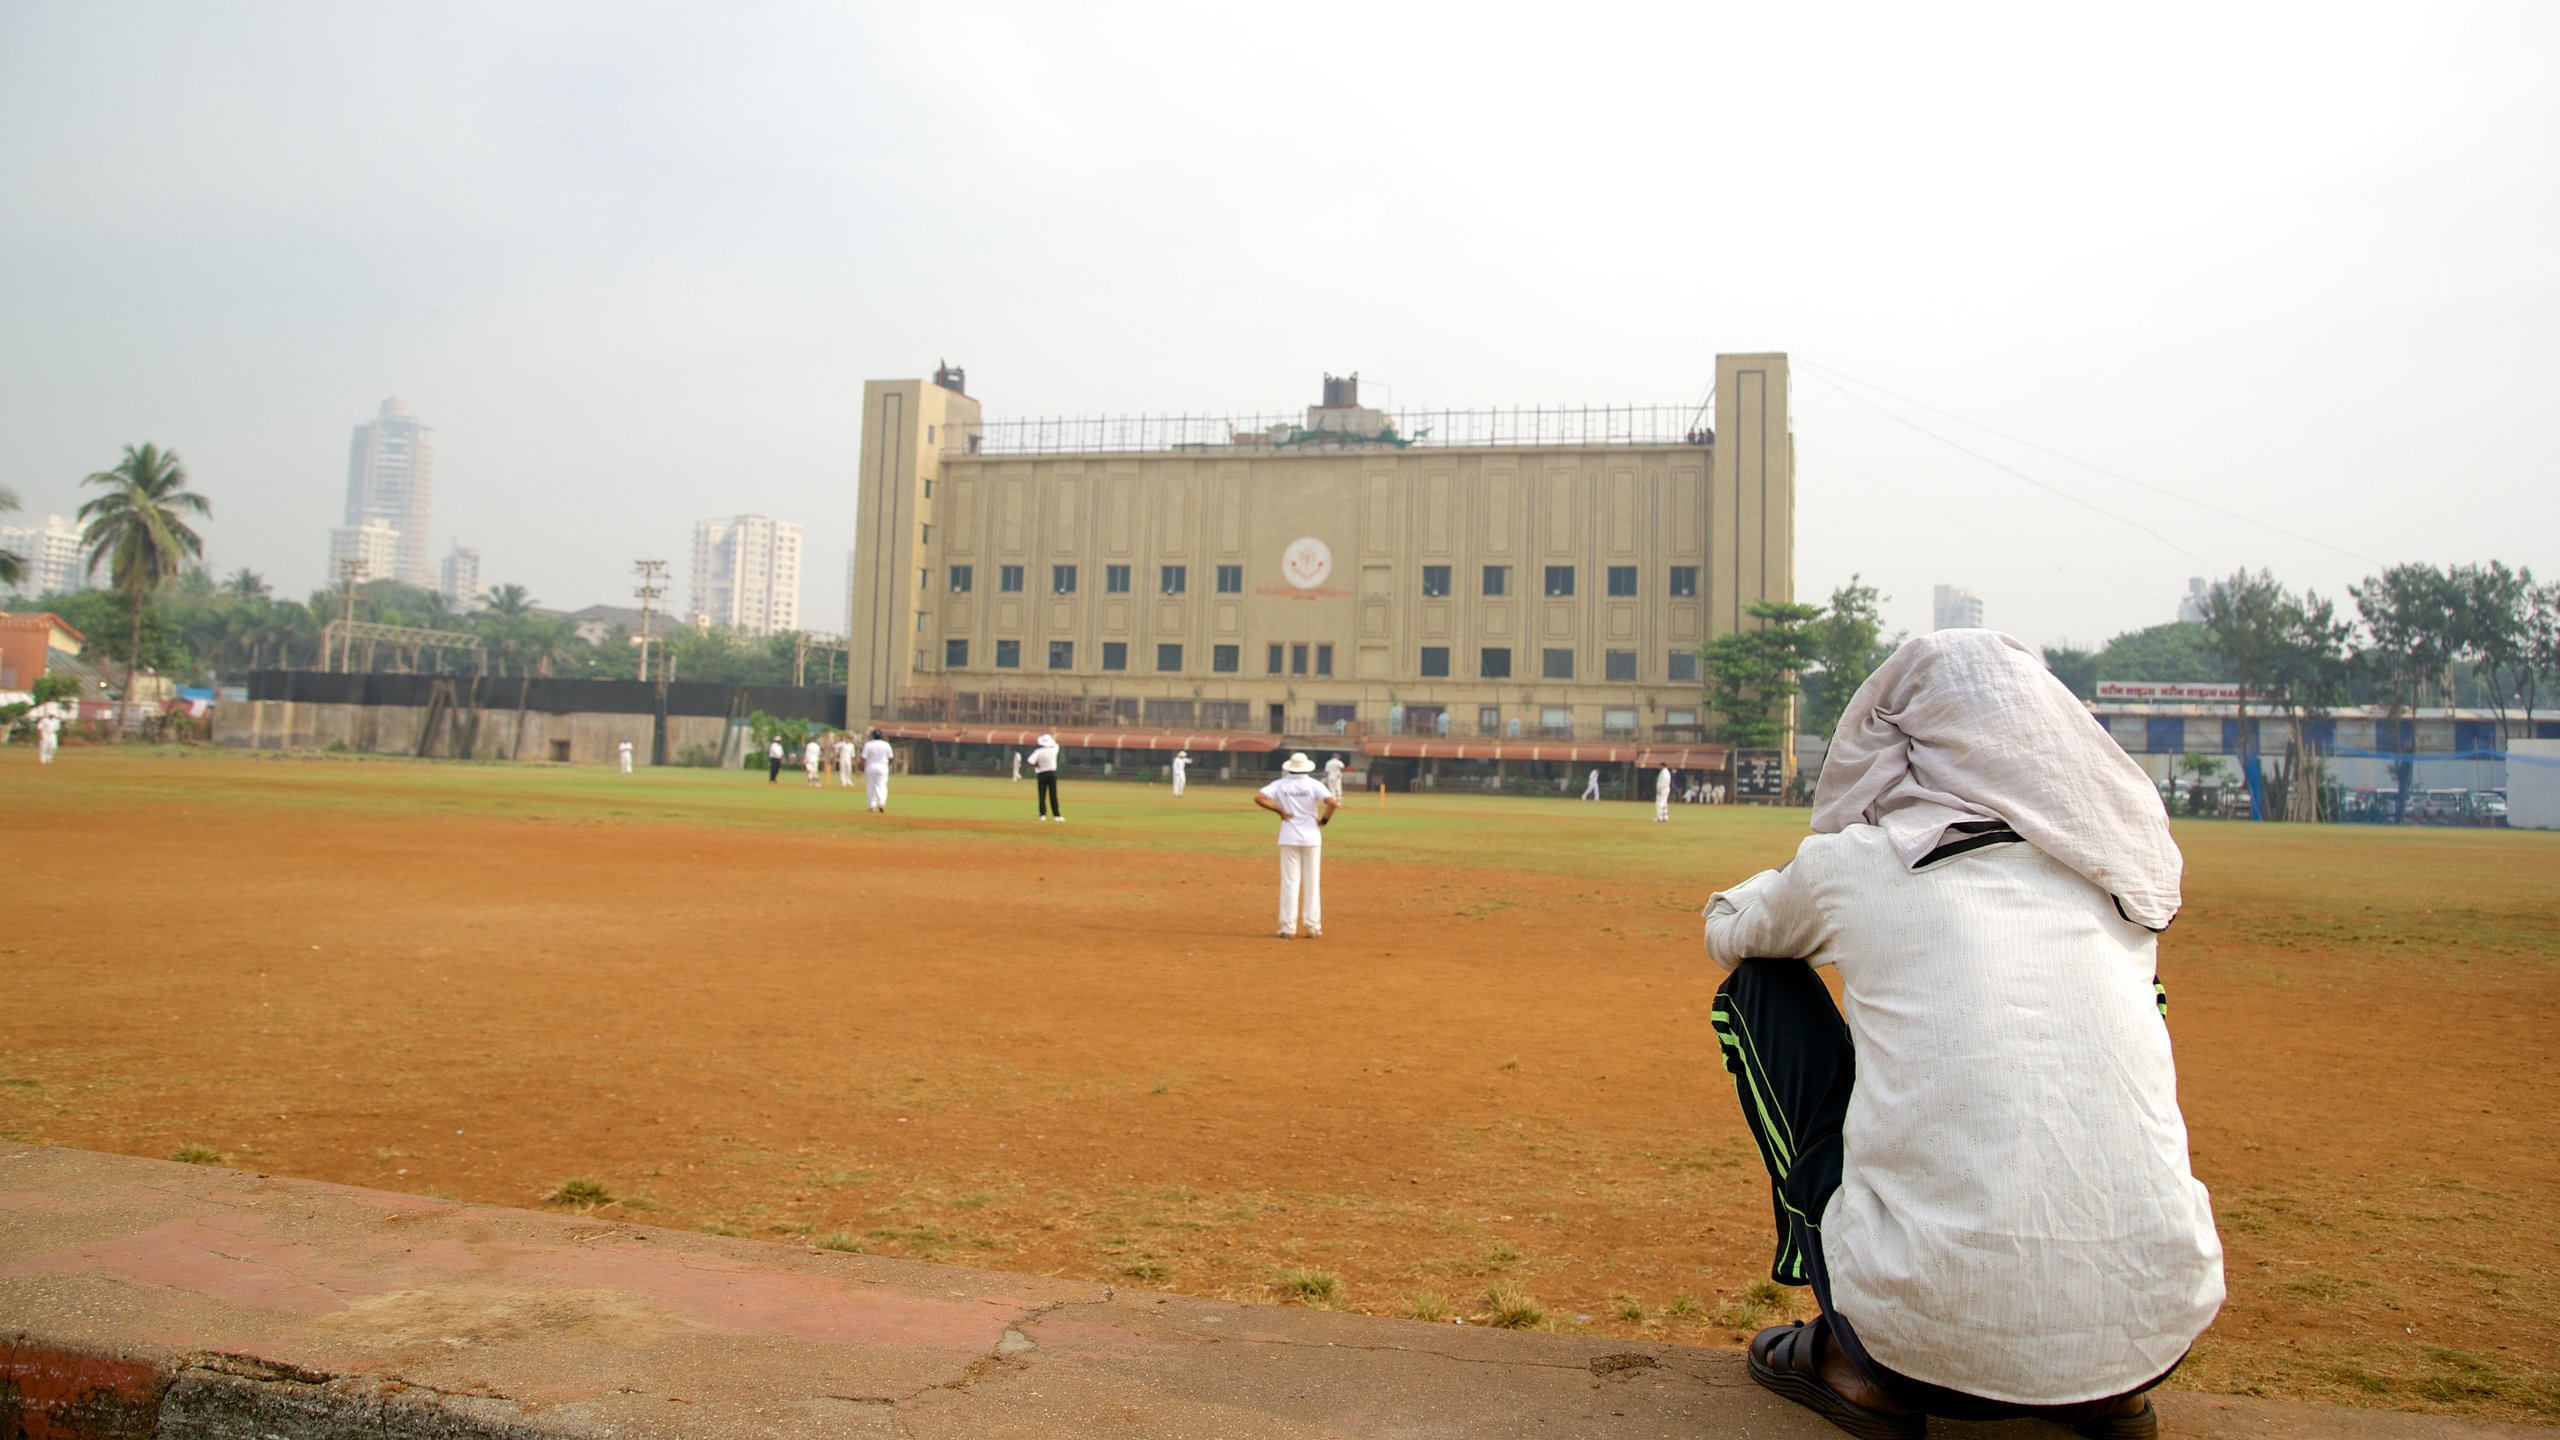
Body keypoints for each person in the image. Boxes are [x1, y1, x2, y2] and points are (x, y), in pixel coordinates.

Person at [1699, 631, 2218, 1440]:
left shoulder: (1861, 864)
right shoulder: (2113, 878)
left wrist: (1789, 887)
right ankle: (2101, 1388)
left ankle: (1851, 1358)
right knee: (2127, 998)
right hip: (2154, 1335)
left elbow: (1731, 933)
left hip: (1916, 1346)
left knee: (1762, 986)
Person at [1255, 752, 1337, 938]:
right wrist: (1323, 821)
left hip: (1289, 835)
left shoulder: (1280, 784)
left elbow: (1259, 797)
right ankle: (1313, 925)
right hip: (1311, 836)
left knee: (1290, 882)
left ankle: (1288, 927)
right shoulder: (1314, 784)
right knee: (1312, 881)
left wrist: (1279, 810)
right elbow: (1332, 802)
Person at [860, 728, 895, 813]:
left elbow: (863, 758)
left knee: (871, 786)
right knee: (882, 785)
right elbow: (891, 758)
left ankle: (871, 805)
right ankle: (882, 803)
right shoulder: (886, 745)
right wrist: (888, 765)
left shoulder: (868, 744)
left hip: (871, 766)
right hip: (883, 766)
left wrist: (861, 768)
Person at [1030, 733, 1062, 821]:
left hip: (1041, 774)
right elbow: (1056, 745)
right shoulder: (1054, 750)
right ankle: (1056, 815)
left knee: (1042, 795)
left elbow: (1030, 761)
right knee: (1053, 795)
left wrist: (1038, 765)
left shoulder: (1038, 752)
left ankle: (1042, 815)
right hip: (1051, 774)